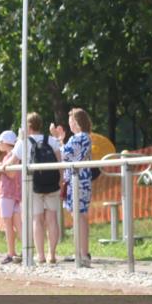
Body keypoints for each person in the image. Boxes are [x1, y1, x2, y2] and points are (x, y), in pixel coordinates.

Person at [7, 113, 62, 264]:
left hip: (33, 185)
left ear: (29, 127)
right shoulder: (52, 140)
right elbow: (60, 163)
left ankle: (41, 255)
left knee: (37, 219)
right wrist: (61, 181)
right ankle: (52, 254)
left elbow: (11, 162)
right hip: (52, 184)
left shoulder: (23, 143)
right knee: (52, 218)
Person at [61, 108, 94, 267]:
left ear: (76, 122)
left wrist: (56, 140)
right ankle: (82, 251)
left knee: (78, 216)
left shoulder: (79, 137)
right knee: (81, 216)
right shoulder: (86, 137)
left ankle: (81, 254)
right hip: (83, 179)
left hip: (77, 180)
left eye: (71, 122)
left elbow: (63, 154)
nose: (70, 125)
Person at [0, 130, 21, 265]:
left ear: (6, 143)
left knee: (10, 224)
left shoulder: (12, 157)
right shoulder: (11, 156)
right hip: (16, 194)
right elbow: (7, 166)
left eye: (0, 142)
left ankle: (11, 253)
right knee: (17, 224)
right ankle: (19, 251)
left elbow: (11, 173)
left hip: (8, 194)